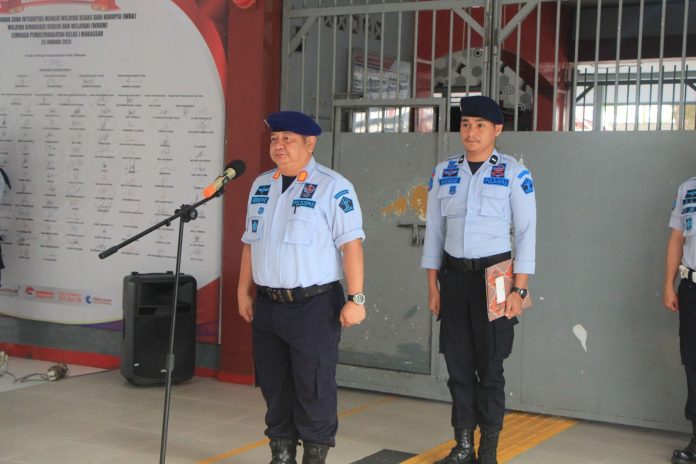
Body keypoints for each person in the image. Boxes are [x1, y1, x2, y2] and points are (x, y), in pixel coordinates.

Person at [237, 111, 366, 464]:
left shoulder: (333, 186)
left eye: (288, 139)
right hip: (268, 305)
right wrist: (242, 290)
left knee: (314, 387)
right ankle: (281, 455)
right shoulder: (261, 184)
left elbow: (351, 246)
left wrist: (356, 298)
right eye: (275, 139)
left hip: (314, 305)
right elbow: (250, 242)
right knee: (274, 385)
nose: (278, 146)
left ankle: (314, 456)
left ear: (310, 144)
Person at [421, 96, 536, 464]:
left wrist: (520, 288)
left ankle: (487, 451)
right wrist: (432, 286)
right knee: (457, 366)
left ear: (497, 130)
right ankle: (463, 446)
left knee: (490, 367)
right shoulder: (444, 171)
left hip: (496, 278)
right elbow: (435, 232)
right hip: (454, 279)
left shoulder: (515, 173)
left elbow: (528, 233)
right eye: (466, 124)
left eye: (480, 125)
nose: (471, 132)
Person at [664, 176, 696, 464]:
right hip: (691, 289)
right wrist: (668, 285)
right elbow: (677, 238)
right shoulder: (688, 189)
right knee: (693, 362)